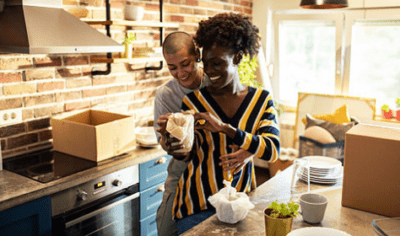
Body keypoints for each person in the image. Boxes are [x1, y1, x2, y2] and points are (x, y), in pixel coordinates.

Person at [171, 13, 280, 234]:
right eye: (206, 63)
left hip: (240, 205)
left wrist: (225, 128)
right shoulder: (193, 102)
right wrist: (171, 138)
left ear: (238, 58)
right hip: (196, 206)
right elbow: (186, 154)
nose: (209, 71)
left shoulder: (261, 101)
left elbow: (272, 150)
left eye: (217, 63)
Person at [154, 31, 209, 236]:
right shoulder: (165, 95)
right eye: (172, 68)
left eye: (185, 64)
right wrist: (168, 141)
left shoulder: (215, 83)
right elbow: (162, 143)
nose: (180, 73)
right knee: (166, 230)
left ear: (197, 55)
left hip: (214, 171)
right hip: (181, 171)